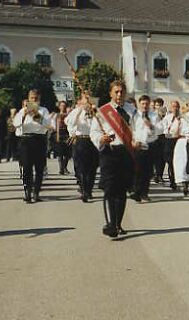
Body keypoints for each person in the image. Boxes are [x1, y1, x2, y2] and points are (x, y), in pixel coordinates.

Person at [90, 80, 134, 238]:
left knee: (121, 190)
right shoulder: (103, 111)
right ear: (110, 93)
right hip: (109, 152)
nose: (119, 94)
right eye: (116, 91)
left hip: (125, 153)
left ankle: (118, 224)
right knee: (109, 189)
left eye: (122, 91)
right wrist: (101, 138)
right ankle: (110, 224)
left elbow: (137, 130)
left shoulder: (131, 110)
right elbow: (93, 132)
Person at [14, 89, 51, 203]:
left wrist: (36, 115)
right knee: (26, 167)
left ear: (39, 99)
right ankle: (27, 192)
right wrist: (24, 114)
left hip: (39, 140)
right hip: (26, 140)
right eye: (32, 98)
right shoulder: (22, 111)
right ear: (28, 99)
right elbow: (16, 124)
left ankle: (36, 192)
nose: (34, 100)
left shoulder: (44, 110)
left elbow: (47, 125)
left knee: (39, 168)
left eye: (36, 98)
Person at [65, 93, 99, 203]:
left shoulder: (96, 111)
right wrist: (80, 110)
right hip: (81, 140)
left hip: (93, 140)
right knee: (82, 168)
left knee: (92, 167)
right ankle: (85, 191)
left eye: (90, 99)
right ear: (82, 100)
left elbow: (101, 123)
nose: (88, 102)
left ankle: (89, 189)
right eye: (86, 99)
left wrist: (95, 112)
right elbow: (69, 122)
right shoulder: (77, 111)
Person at [131, 95, 158, 202]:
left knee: (147, 171)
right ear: (139, 104)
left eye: (146, 104)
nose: (145, 106)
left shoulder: (154, 116)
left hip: (150, 145)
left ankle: (144, 193)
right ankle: (137, 192)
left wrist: (151, 125)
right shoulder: (135, 115)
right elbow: (132, 129)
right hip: (138, 145)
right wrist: (133, 141)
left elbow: (158, 130)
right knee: (137, 170)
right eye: (143, 104)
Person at [173, 102, 189, 196]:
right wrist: (178, 123)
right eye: (186, 110)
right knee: (181, 164)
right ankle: (185, 185)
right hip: (181, 142)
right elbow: (174, 134)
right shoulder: (180, 119)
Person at [162, 100, 181, 190]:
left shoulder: (182, 118)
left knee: (178, 162)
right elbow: (164, 130)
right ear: (170, 108)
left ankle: (178, 180)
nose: (175, 108)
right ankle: (172, 181)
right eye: (173, 106)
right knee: (171, 163)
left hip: (179, 141)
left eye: (177, 106)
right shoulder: (167, 118)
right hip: (169, 140)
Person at [151, 98, 167, 183]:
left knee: (162, 157)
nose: (158, 107)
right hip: (155, 137)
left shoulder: (165, 114)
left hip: (163, 136)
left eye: (160, 105)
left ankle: (160, 174)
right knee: (155, 157)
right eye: (157, 105)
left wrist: (163, 116)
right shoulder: (152, 115)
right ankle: (155, 174)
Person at [54, 101, 72, 175]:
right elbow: (57, 125)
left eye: (64, 105)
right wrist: (57, 135)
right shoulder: (58, 115)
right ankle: (61, 168)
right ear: (59, 107)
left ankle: (64, 167)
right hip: (60, 133)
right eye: (61, 105)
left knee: (67, 153)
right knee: (60, 152)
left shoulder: (69, 115)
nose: (63, 107)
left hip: (67, 133)